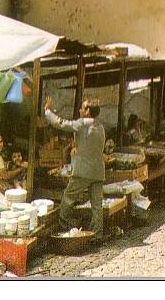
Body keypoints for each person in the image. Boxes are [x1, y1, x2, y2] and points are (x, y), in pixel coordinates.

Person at [43, 95, 106, 237]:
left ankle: (65, 224)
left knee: (68, 197)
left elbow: (62, 123)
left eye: (82, 108)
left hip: (83, 171)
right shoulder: (100, 126)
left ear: (88, 111)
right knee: (97, 205)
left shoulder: (83, 123)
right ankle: (97, 233)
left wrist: (48, 111)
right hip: (97, 170)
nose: (79, 110)